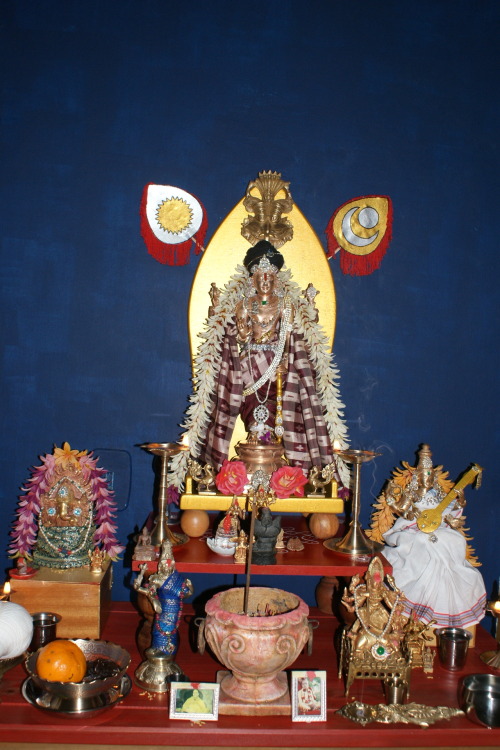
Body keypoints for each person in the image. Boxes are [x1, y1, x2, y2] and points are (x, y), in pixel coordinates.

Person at [182, 240, 347, 481]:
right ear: (252, 279)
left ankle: (268, 445)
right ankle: (254, 440)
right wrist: (239, 330)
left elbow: (296, 333)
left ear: (277, 278)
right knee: (249, 403)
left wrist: (288, 361)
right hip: (249, 363)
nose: (265, 281)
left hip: (277, 365)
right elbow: (239, 334)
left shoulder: (285, 305)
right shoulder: (244, 304)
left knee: (273, 407)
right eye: (260, 276)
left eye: (269, 276)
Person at [380, 445, 486, 628]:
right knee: (420, 542)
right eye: (424, 475)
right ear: (418, 476)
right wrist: (392, 500)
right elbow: (402, 511)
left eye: (429, 475)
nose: (427, 478)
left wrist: (459, 500)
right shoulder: (411, 494)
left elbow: (452, 510)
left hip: (440, 531)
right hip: (413, 533)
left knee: (454, 541)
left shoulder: (440, 495)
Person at [134, 540, 193, 655]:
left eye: (169, 565)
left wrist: (190, 587)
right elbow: (150, 591)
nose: (167, 567)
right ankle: (158, 656)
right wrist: (154, 600)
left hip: (174, 611)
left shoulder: (177, 579)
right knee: (158, 633)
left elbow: (186, 594)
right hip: (163, 611)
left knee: (172, 634)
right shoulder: (157, 579)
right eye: (165, 564)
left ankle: (169, 658)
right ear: (160, 565)